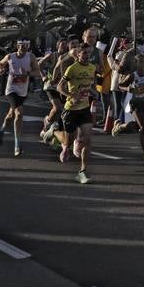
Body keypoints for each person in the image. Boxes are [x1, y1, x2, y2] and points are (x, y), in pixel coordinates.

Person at [57, 43, 97, 184]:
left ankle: (82, 172)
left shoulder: (92, 68)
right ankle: (57, 136)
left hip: (84, 109)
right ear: (78, 54)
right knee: (68, 141)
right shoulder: (72, 69)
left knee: (87, 139)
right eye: (84, 53)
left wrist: (93, 92)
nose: (86, 56)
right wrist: (71, 95)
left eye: (88, 53)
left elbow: (89, 84)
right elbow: (59, 87)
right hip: (71, 109)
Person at [0, 39, 41, 156]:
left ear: (28, 46)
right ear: (17, 46)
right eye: (21, 45)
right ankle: (17, 145)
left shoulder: (31, 57)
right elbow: (1, 63)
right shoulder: (10, 56)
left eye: (26, 45)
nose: (23, 47)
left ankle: (1, 129)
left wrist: (28, 73)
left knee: (11, 115)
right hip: (11, 90)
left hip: (22, 91)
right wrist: (0, 70)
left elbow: (37, 72)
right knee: (19, 113)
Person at [117, 53, 144, 164]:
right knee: (143, 127)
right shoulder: (132, 75)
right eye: (140, 62)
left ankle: (120, 126)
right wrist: (128, 89)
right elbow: (120, 86)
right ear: (136, 63)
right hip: (135, 104)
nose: (142, 64)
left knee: (136, 126)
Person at [39, 38, 68, 135]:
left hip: (62, 86)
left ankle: (55, 128)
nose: (64, 46)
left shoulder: (69, 56)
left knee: (62, 110)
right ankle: (47, 123)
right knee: (58, 108)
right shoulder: (52, 55)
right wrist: (43, 76)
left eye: (65, 45)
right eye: (62, 44)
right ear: (57, 46)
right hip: (51, 85)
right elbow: (40, 64)